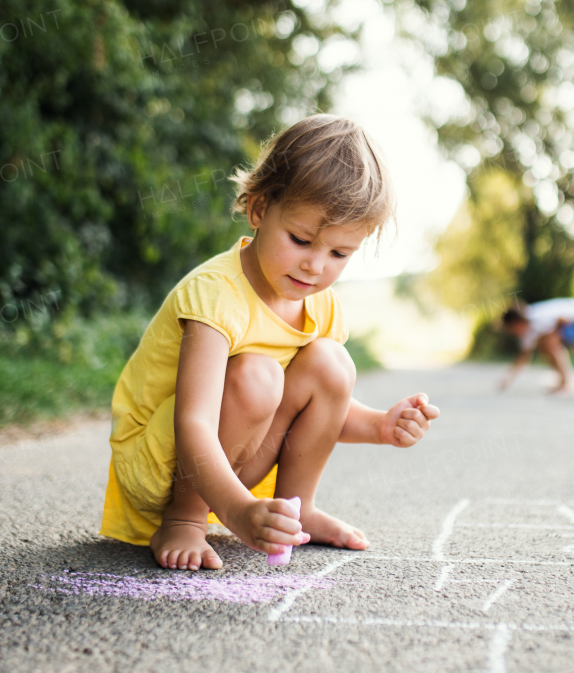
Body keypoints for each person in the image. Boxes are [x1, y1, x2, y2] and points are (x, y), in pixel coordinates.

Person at [100, 114, 440, 571]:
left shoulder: (321, 305)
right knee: (257, 374)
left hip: (234, 462)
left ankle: (297, 507)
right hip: (163, 466)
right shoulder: (217, 295)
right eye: (301, 240)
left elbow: (318, 406)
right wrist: (236, 512)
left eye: (339, 253)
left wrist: (381, 425)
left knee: (331, 363)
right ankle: (185, 519)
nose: (315, 266)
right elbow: (194, 422)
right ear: (259, 210)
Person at [498, 298, 574, 395]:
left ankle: (566, 384)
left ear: (517, 323)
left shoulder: (537, 317)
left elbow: (567, 319)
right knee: (545, 345)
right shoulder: (528, 334)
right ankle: (562, 381)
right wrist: (508, 379)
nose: (511, 333)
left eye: (511, 329)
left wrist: (554, 335)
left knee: (550, 342)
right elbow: (523, 358)